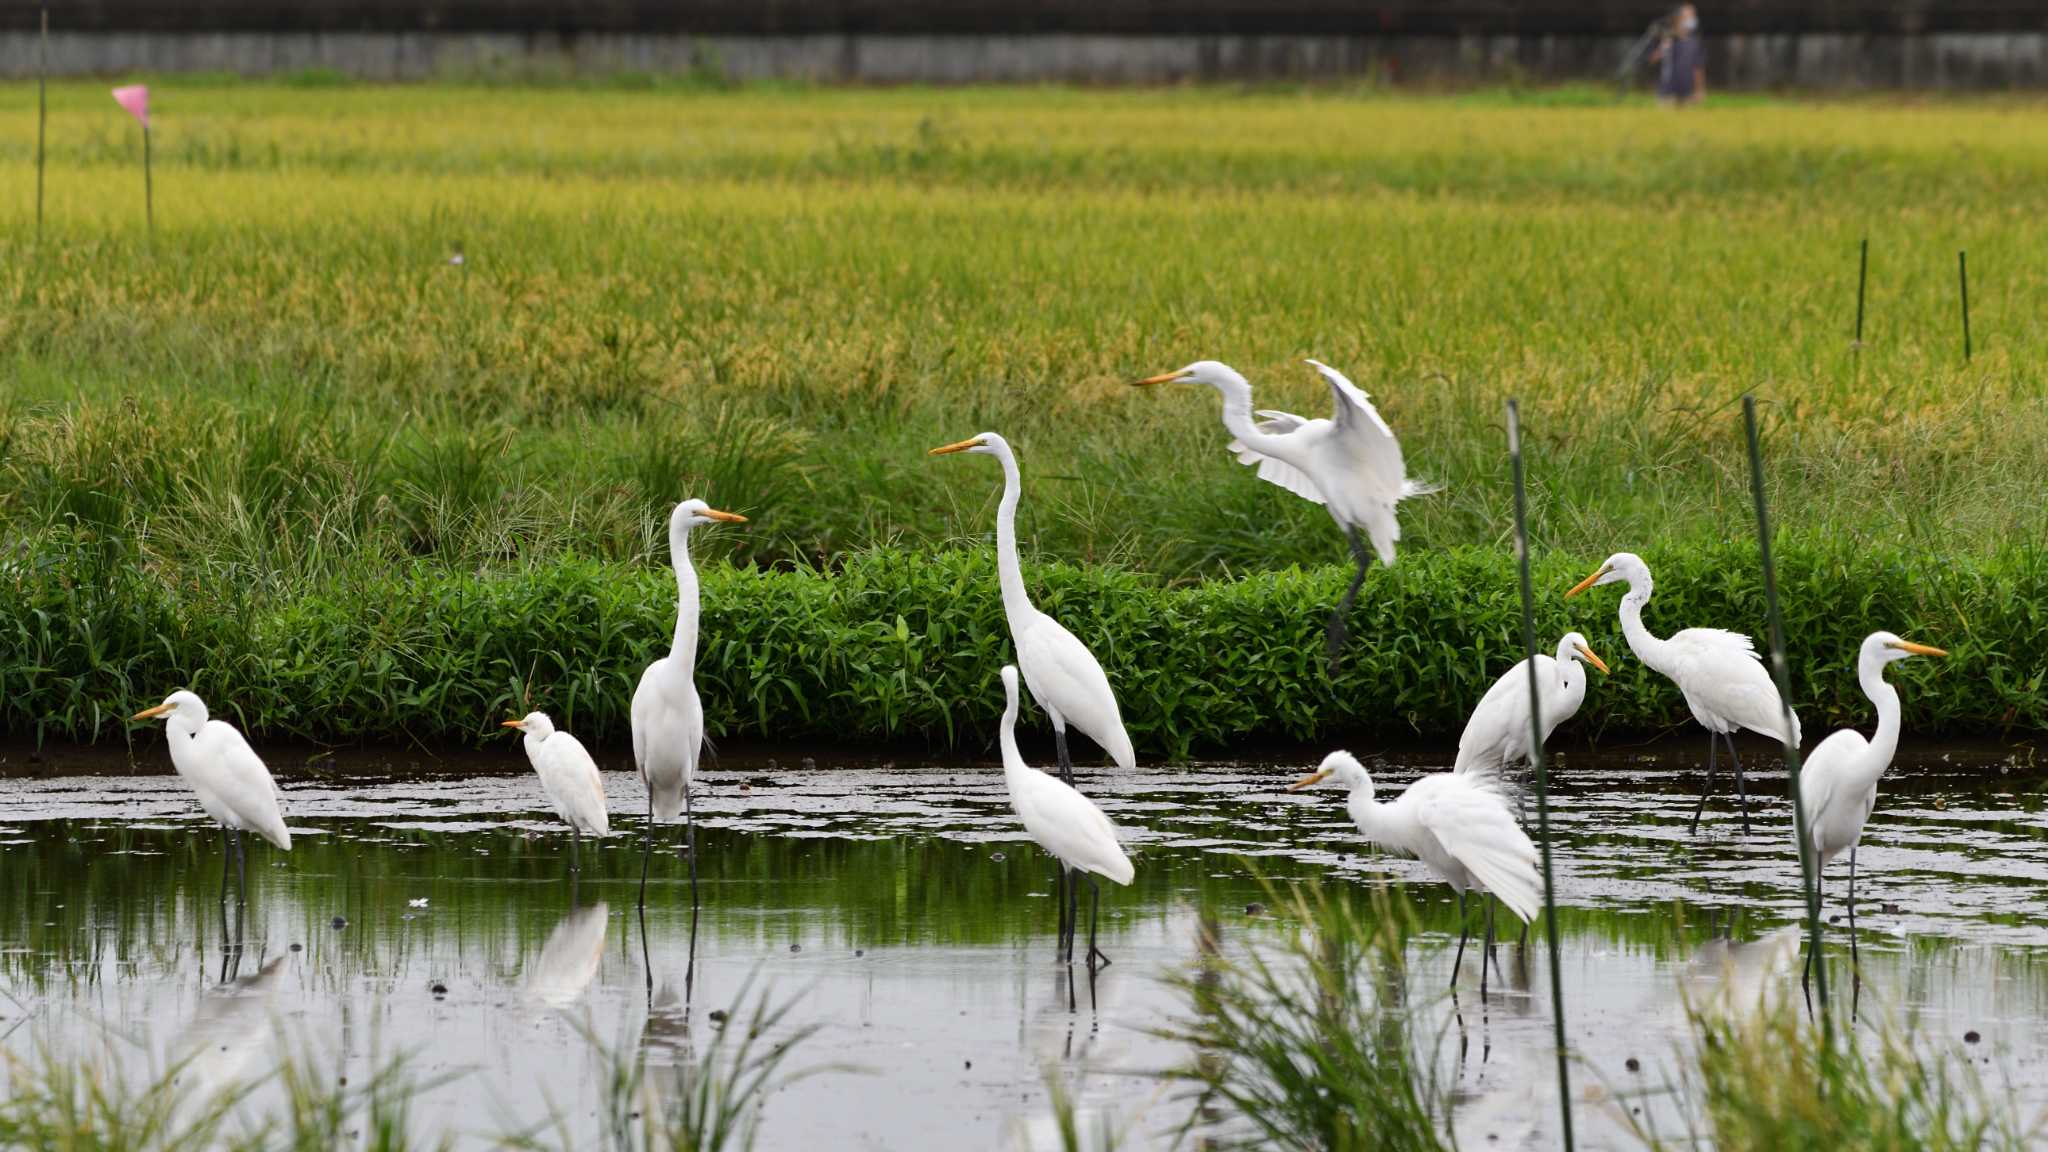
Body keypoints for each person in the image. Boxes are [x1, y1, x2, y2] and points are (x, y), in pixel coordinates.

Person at [1651, 5, 1706, 105]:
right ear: (1678, 18)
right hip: (1666, 94)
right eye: (1689, 16)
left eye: (1693, 16)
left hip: (1688, 94)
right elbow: (1653, 60)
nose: (1691, 19)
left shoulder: (1695, 43)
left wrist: (1699, 90)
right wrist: (1663, 47)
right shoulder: (1667, 38)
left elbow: (1698, 68)